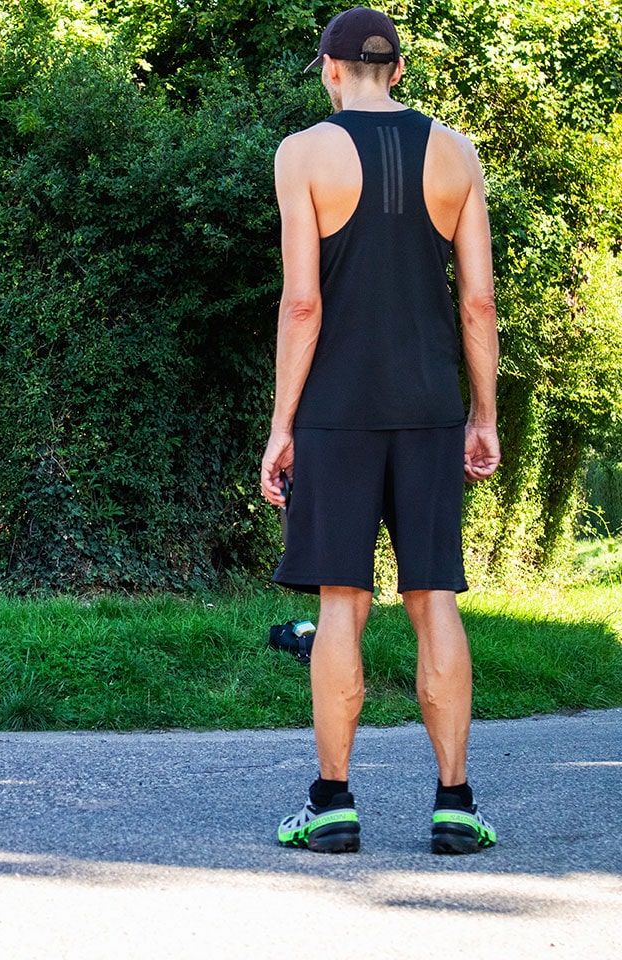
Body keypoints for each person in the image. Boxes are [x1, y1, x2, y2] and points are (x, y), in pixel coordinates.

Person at [259, 7, 501, 854]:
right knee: (435, 599)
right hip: (431, 406)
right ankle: (456, 805)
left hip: (337, 410)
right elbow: (478, 301)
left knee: (341, 603)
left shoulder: (303, 154)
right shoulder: (457, 153)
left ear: (330, 70)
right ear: (396, 70)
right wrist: (483, 415)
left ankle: (332, 805)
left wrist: (282, 424)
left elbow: (302, 303)